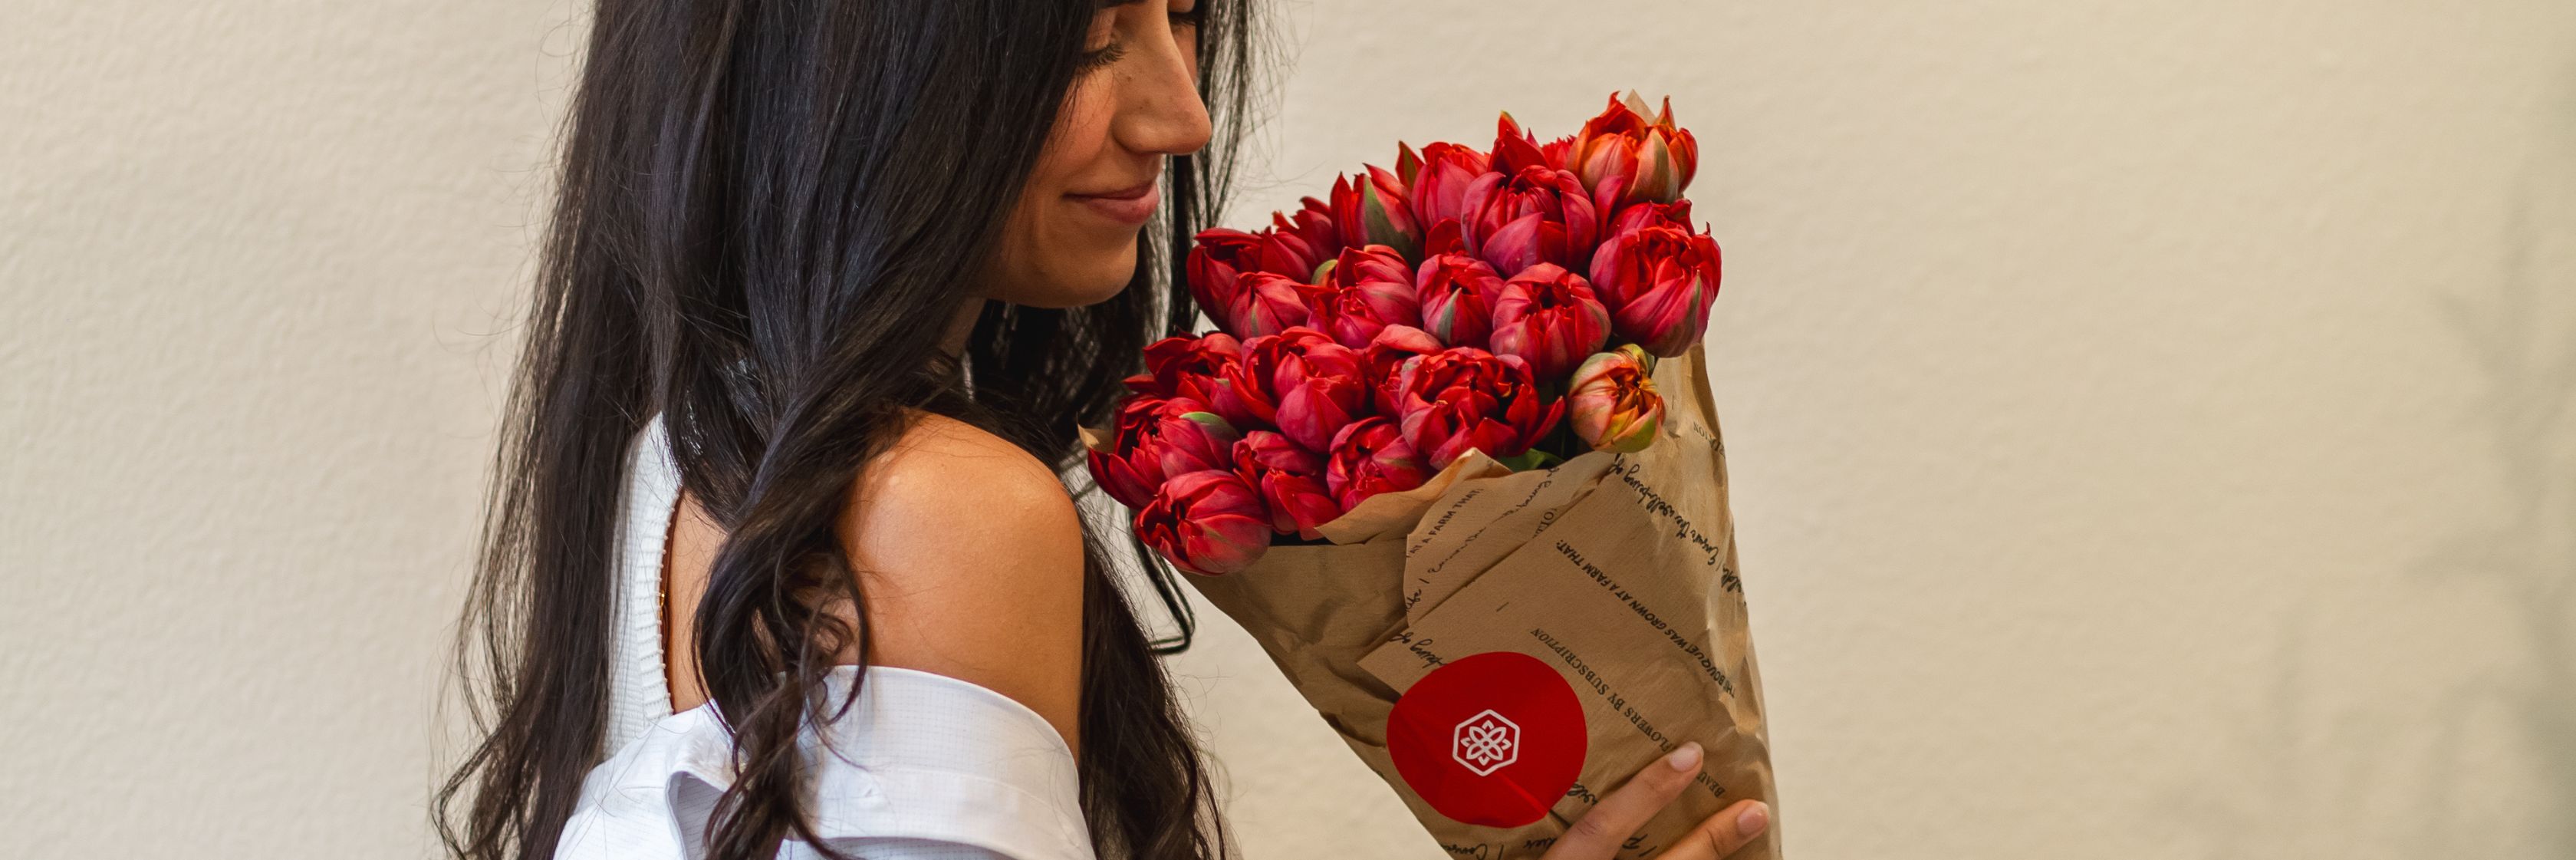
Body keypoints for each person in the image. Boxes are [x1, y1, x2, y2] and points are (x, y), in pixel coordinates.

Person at [436, 1, 1773, 858]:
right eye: (1085, 35)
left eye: (1181, 15)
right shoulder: (940, 510)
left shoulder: (680, 459)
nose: (1181, 114)